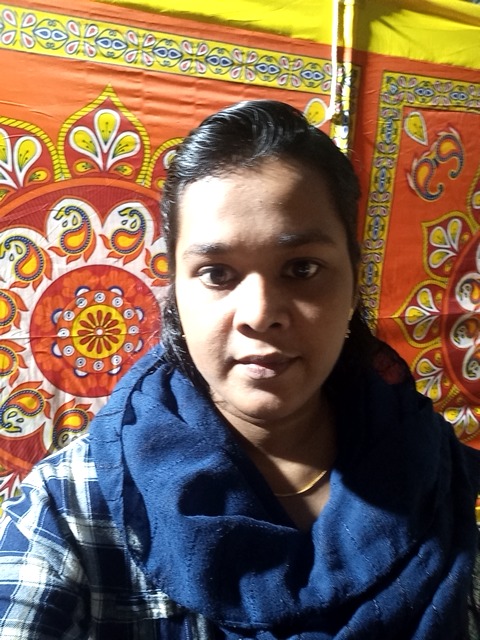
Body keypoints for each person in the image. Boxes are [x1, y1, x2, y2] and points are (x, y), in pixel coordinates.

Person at [0, 100, 479, 639]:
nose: (259, 314)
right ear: (175, 293)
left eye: (302, 268)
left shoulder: (440, 476)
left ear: (352, 285)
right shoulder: (73, 507)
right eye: (217, 273)